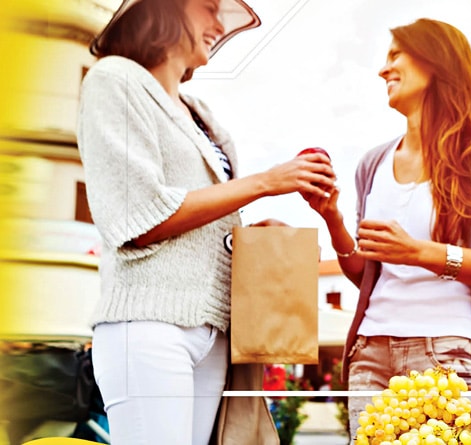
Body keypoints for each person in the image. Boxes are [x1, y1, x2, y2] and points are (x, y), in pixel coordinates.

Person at [76, 0, 335, 443]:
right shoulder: (114, 79)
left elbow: (200, 216)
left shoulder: (203, 116)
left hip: (213, 333)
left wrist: (253, 237)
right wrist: (265, 182)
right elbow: (136, 220)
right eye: (210, 7)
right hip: (148, 324)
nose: (219, 23)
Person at [301, 18, 471, 437]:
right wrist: (333, 219)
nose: (382, 70)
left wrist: (421, 253)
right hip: (372, 352)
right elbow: (367, 274)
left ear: (435, 62)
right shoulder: (372, 163)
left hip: (451, 352)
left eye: (395, 55)